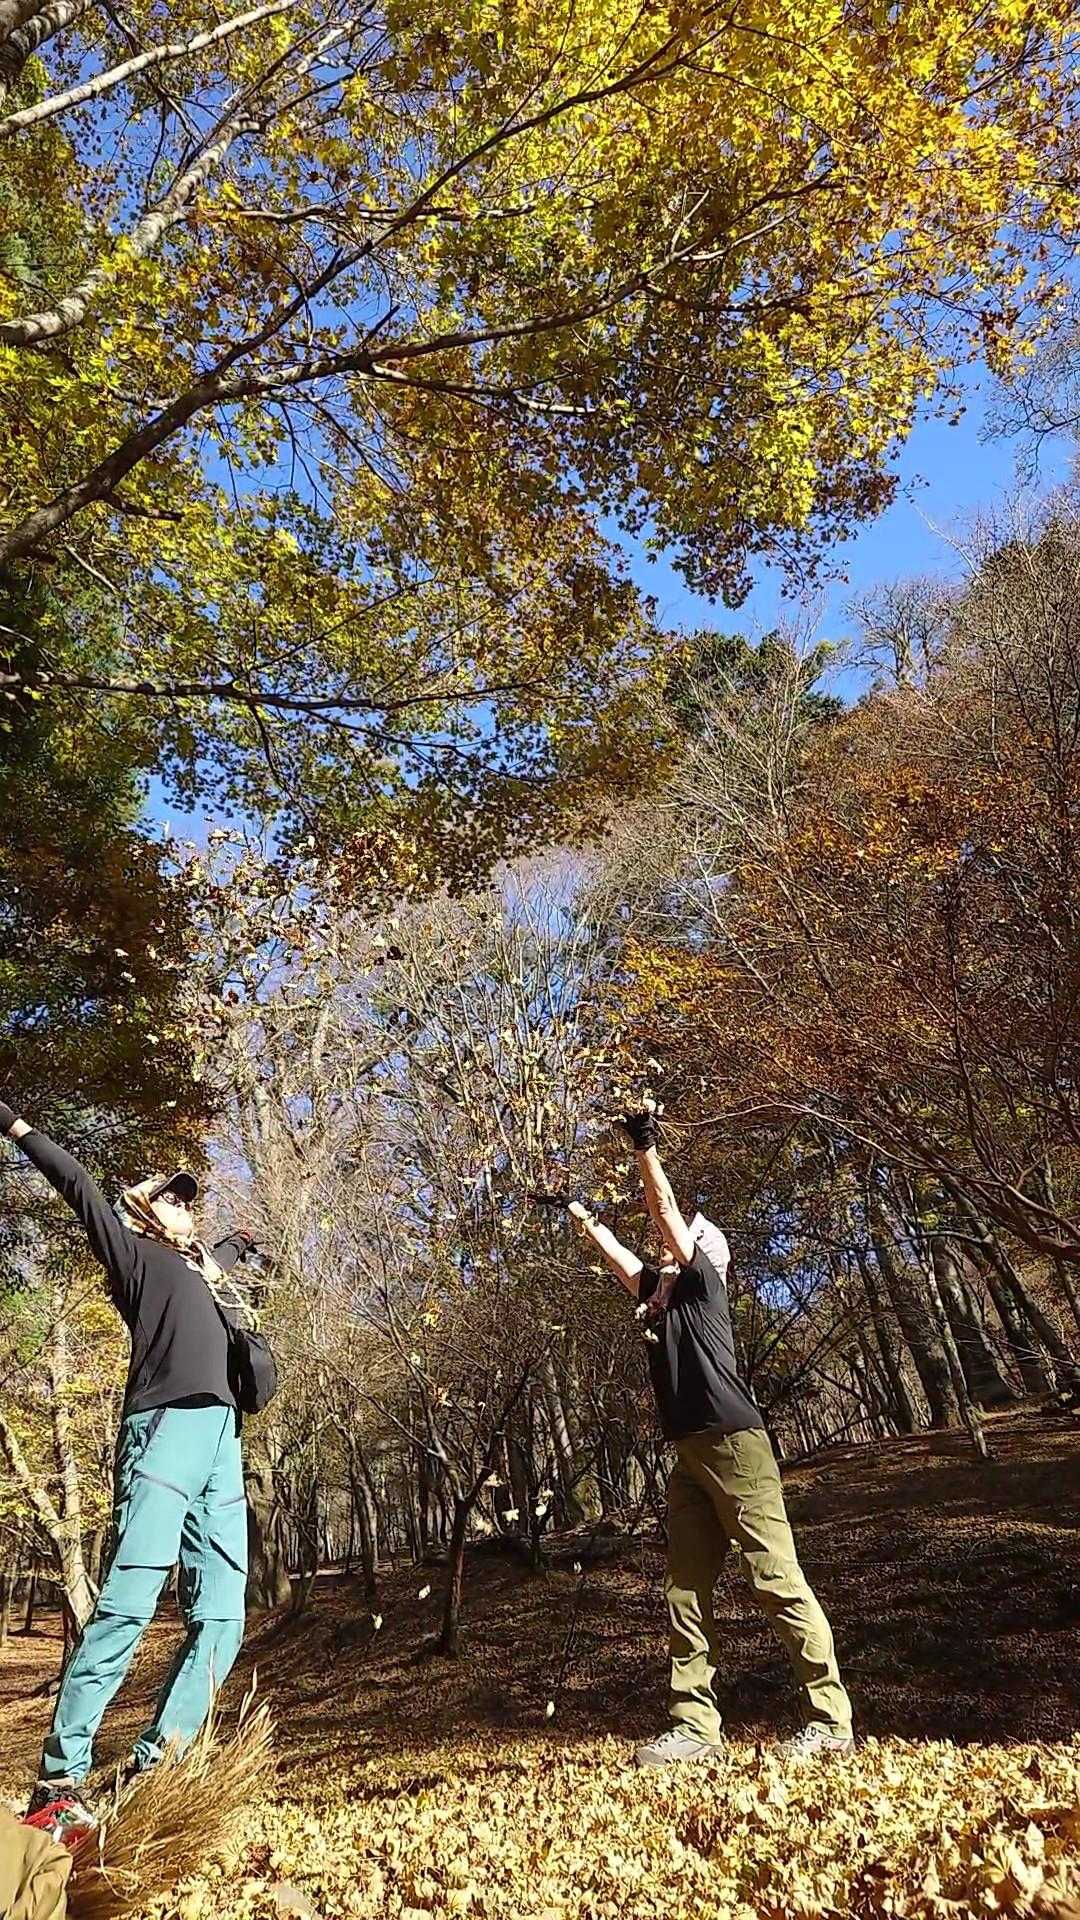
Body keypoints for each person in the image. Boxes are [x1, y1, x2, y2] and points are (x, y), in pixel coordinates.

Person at [568, 1103, 853, 1768]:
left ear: (697, 1256)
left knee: (775, 1578)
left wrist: (645, 1147)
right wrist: (573, 1208)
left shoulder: (701, 1287)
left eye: (674, 1247)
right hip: (691, 1454)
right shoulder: (660, 1296)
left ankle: (829, 1721)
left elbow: (665, 1212)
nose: (661, 1252)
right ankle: (695, 1727)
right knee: (685, 1590)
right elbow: (615, 1254)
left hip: (736, 1445)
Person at [0, 1099, 258, 1825]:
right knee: (130, 1603)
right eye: (171, 1197)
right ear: (141, 1211)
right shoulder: (133, 1257)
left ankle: (155, 1769)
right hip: (164, 1431)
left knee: (223, 1616)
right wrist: (16, 1125)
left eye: (189, 1199)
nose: (184, 1205)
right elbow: (78, 1185)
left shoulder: (201, 1273)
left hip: (222, 1440)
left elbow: (218, 1260)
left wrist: (239, 1243)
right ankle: (58, 1785)